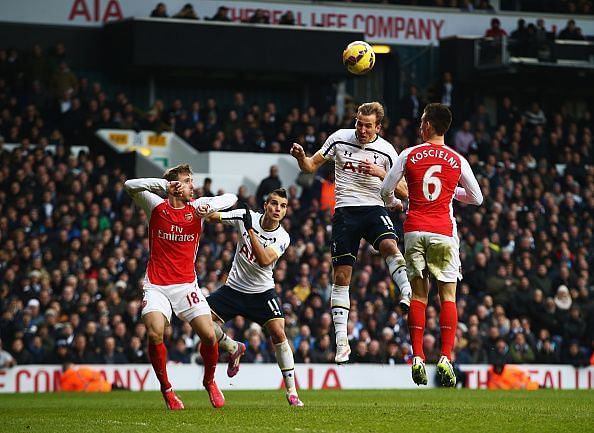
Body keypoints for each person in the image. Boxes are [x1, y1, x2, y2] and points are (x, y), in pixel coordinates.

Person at [290, 101, 411, 364]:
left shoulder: (388, 151)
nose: (362, 129)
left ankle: (406, 292)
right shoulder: (339, 139)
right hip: (345, 211)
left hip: (373, 208)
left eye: (368, 125)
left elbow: (405, 192)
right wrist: (301, 156)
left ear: (378, 127)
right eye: (359, 122)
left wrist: (382, 173)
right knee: (342, 276)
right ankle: (342, 342)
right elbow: (310, 166)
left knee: (390, 246)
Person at [380, 103, 483, 387]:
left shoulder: (408, 154)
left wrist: (395, 202)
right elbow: (477, 198)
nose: (419, 125)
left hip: (414, 230)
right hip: (443, 232)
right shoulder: (457, 160)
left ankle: (416, 357)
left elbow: (386, 190)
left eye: (422, 121)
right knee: (447, 296)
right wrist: (450, 194)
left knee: (419, 296)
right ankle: (446, 357)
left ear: (427, 125)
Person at [124, 164, 237, 410]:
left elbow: (232, 198)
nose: (191, 185)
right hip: (157, 286)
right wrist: (164, 186)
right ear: (175, 186)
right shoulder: (155, 205)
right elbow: (129, 185)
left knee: (209, 335)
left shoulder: (197, 207)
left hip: (186, 286)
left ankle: (209, 381)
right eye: (186, 181)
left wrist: (210, 207)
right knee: (155, 331)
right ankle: (167, 390)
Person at [204, 188, 304, 406]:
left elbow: (264, 260)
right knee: (201, 322)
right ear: (266, 205)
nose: (278, 209)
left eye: (283, 206)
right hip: (233, 289)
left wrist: (249, 229)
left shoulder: (282, 236)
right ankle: (233, 347)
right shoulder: (244, 215)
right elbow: (212, 218)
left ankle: (292, 391)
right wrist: (215, 206)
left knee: (279, 332)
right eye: (274, 203)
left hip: (261, 292)